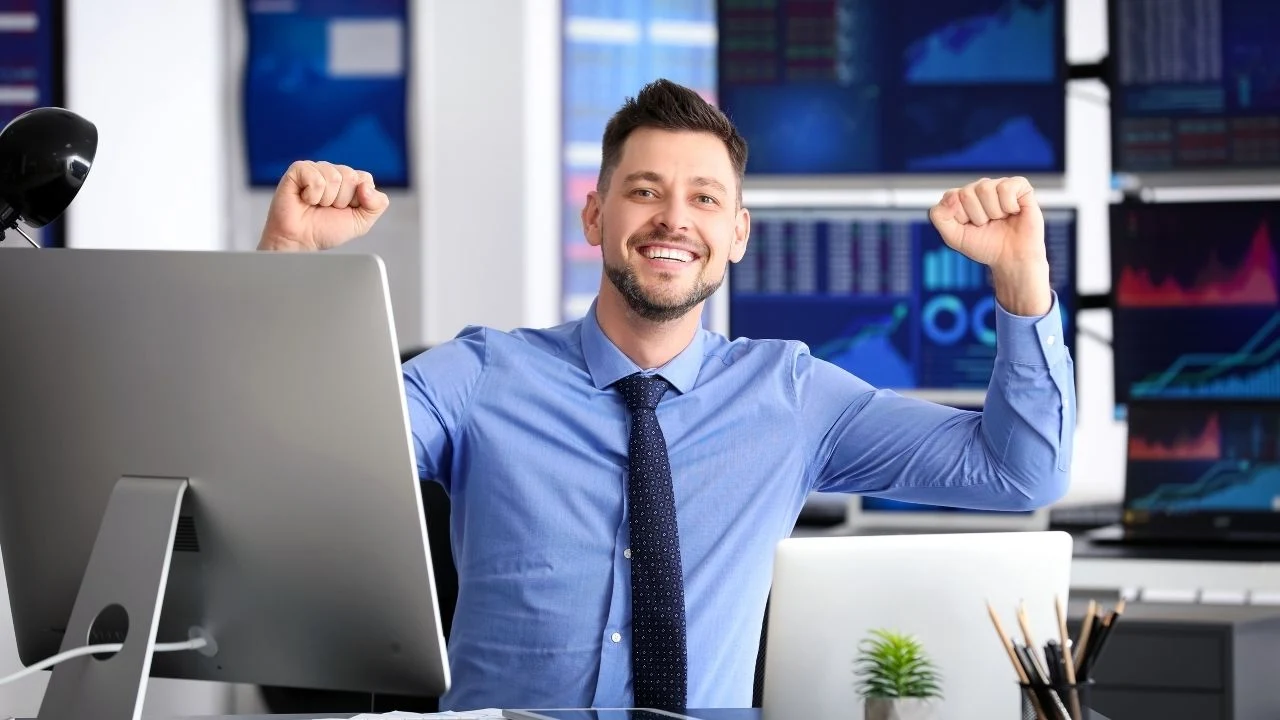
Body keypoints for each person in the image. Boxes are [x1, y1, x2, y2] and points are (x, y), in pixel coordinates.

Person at [257, 79, 1075, 711]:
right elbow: (302, 460)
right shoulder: (481, 375)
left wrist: (1021, 280)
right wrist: (287, 267)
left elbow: (1018, 474)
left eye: (705, 198)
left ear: (738, 234)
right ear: (595, 214)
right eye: (644, 191)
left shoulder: (793, 397)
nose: (672, 219)